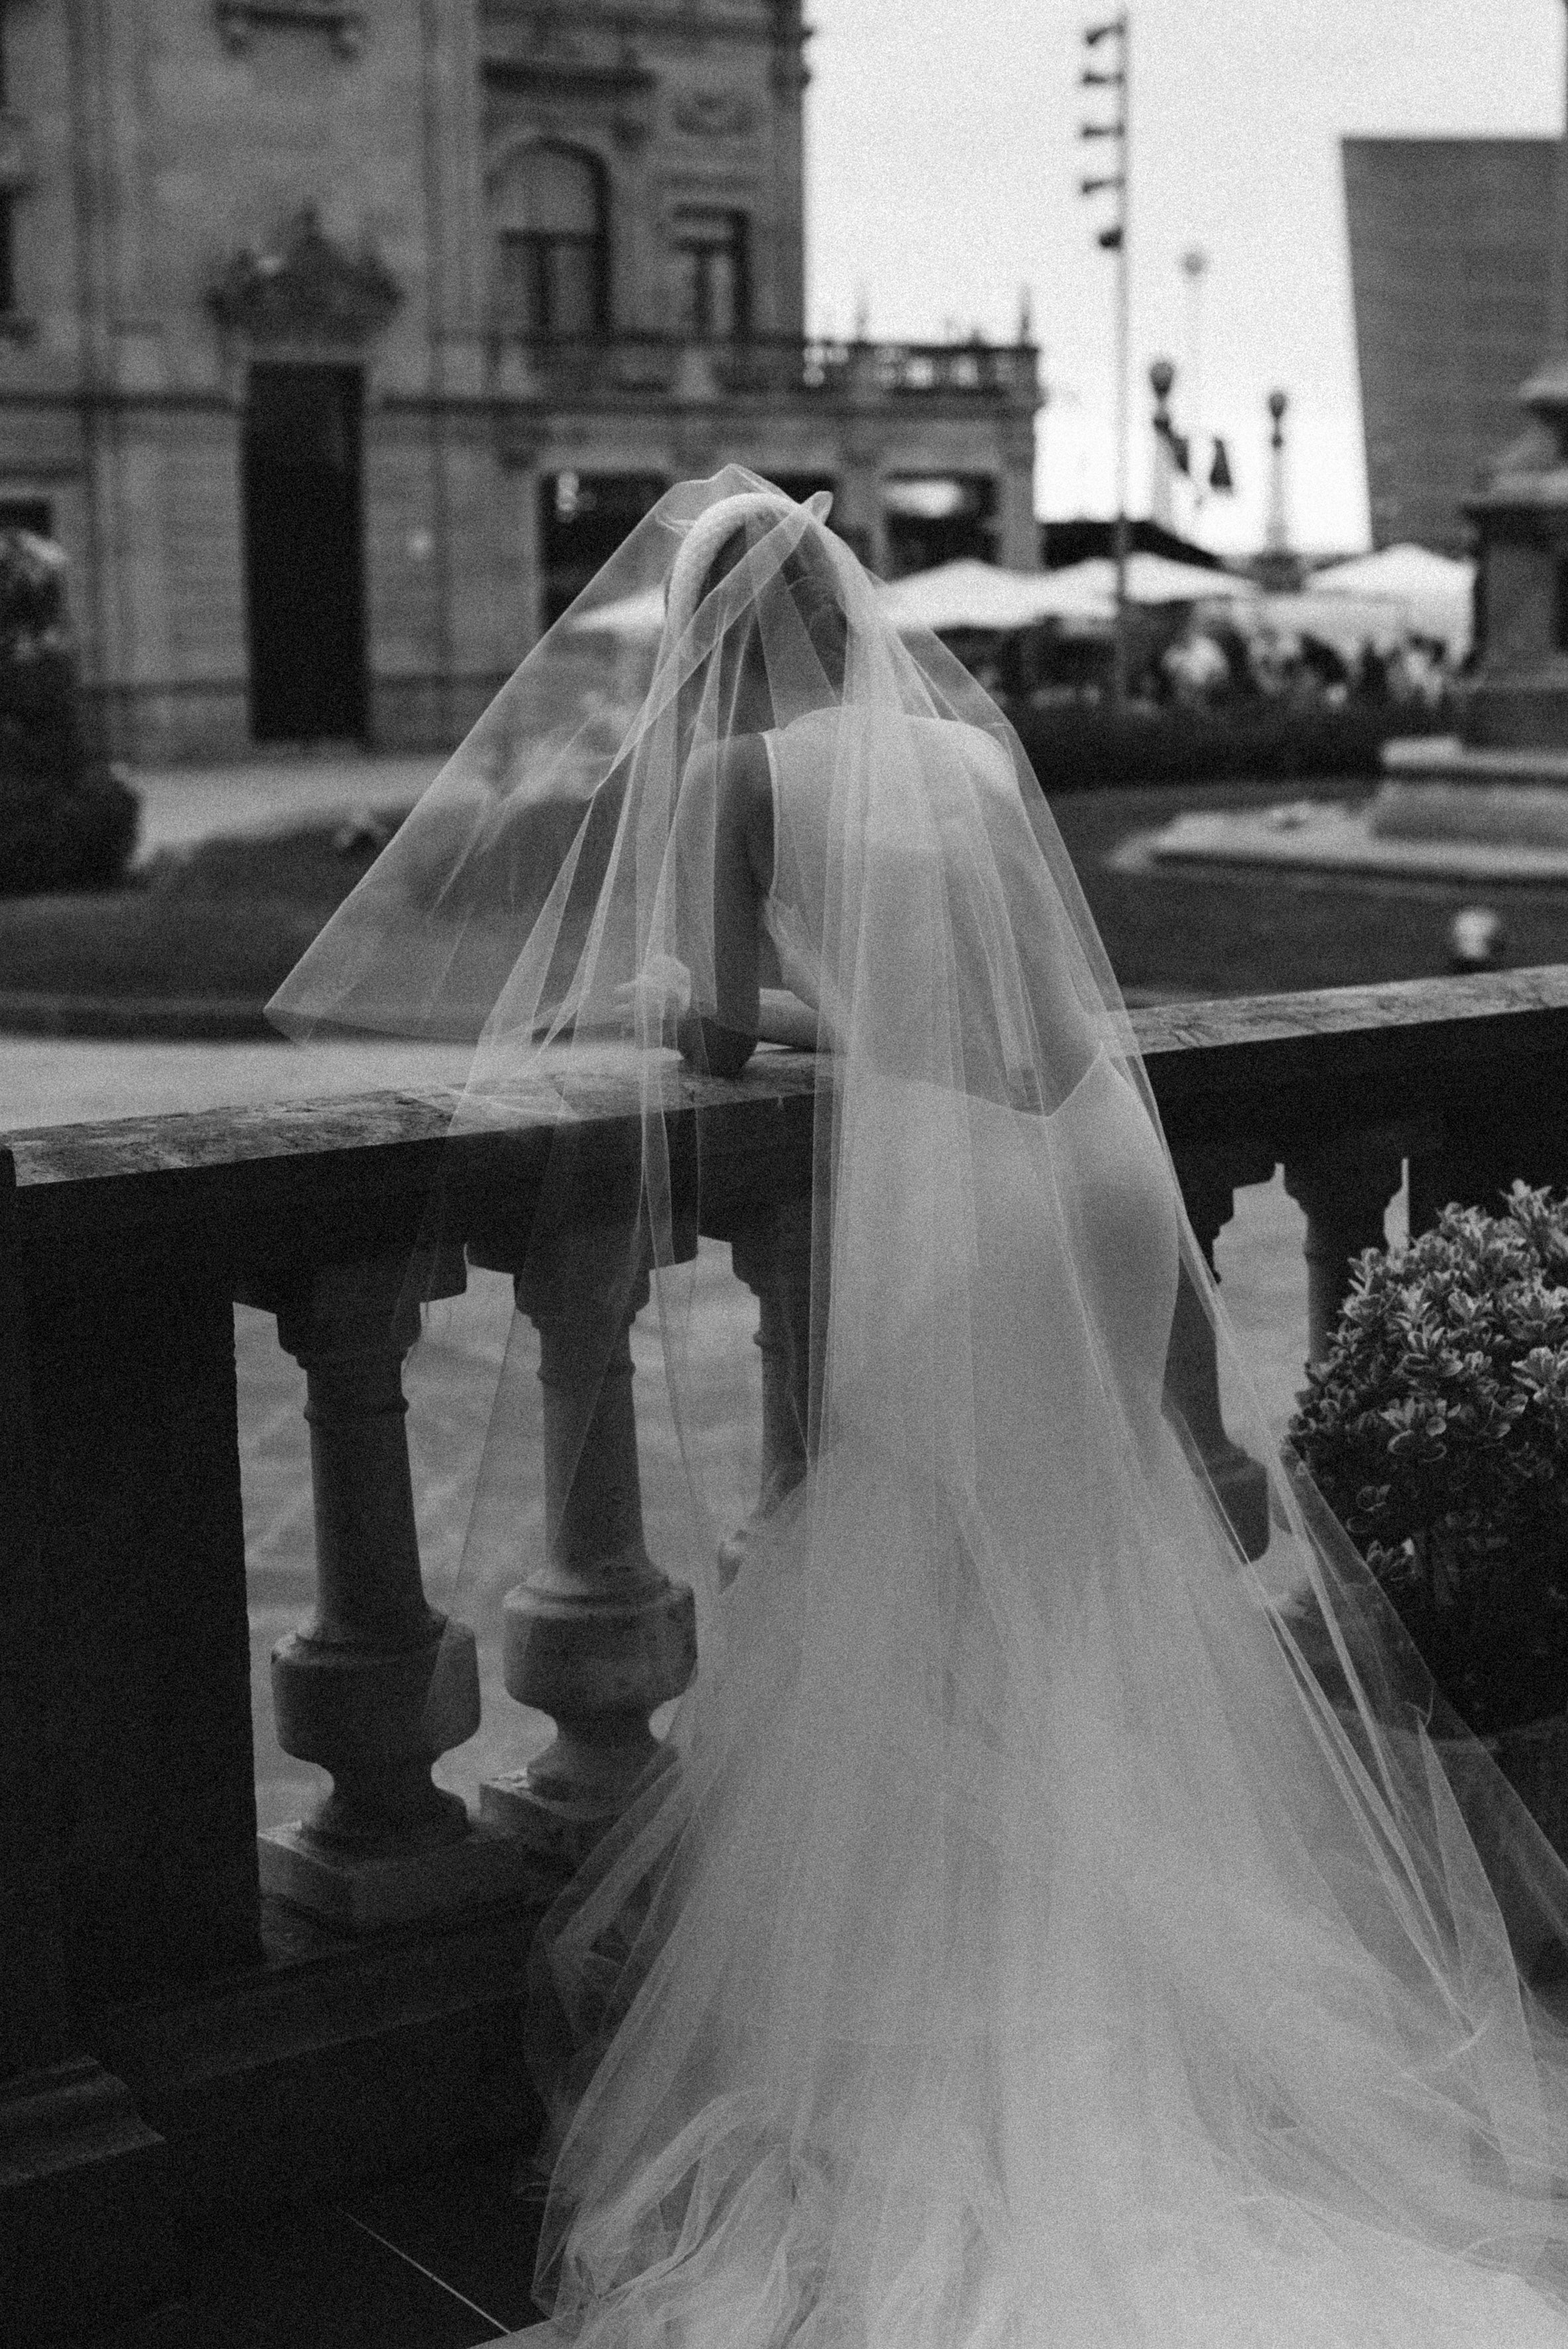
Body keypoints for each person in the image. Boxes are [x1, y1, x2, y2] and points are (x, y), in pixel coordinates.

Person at [272, 471, 1568, 2346]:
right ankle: (1168, 2020)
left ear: (716, 645)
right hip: (1102, 1169)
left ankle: (1002, 2044)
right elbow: (1051, 980)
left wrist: (699, 995)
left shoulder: (738, 783)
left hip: (957, 1183)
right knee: (1100, 1581)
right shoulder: (961, 751)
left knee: (936, 1589)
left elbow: (715, 1033)